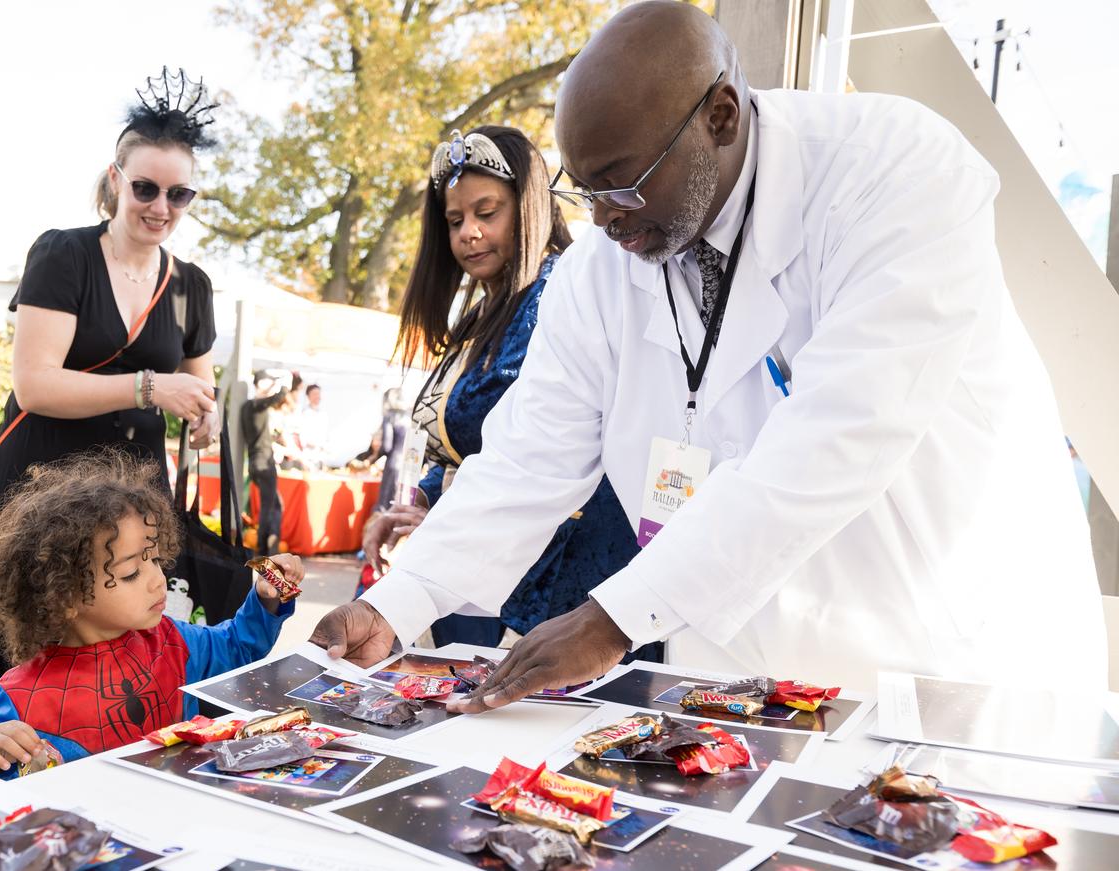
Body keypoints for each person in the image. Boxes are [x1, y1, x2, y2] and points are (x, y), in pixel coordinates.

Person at [312, 2, 1107, 703]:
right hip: (733, 671)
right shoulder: (603, 265)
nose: (604, 221)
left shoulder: (893, 173)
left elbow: (837, 440)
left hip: (932, 660)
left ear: (721, 115)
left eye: (623, 185)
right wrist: (400, 600)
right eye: (584, 193)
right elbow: (530, 454)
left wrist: (616, 613)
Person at [0, 67, 223, 727]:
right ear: (115, 179)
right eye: (145, 187)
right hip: (46, 496)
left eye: (179, 193)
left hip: (134, 505)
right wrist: (148, 386)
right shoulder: (64, 255)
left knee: (130, 671)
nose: (160, 206)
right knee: (34, 676)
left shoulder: (192, 284)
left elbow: (201, 383)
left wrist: (206, 415)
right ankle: (15, 797)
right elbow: (36, 382)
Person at [358, 125, 645, 651]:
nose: (469, 232)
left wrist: (439, 511)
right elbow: (462, 445)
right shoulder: (482, 312)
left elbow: (543, 453)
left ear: (529, 206)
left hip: (558, 592)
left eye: (486, 213)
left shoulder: (562, 292)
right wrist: (419, 501)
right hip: (479, 572)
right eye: (455, 220)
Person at [0, 450, 301, 781]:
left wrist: (265, 598)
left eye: (153, 559)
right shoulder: (22, 696)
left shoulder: (172, 640)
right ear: (65, 597)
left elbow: (238, 647)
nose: (157, 579)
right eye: (130, 573)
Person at [242, 369, 290, 555]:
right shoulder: (256, 405)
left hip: (255, 462)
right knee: (270, 506)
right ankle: (267, 545)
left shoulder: (247, 406)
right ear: (260, 384)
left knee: (272, 504)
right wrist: (286, 384)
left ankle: (268, 541)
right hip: (264, 463)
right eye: (268, 383)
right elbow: (279, 396)